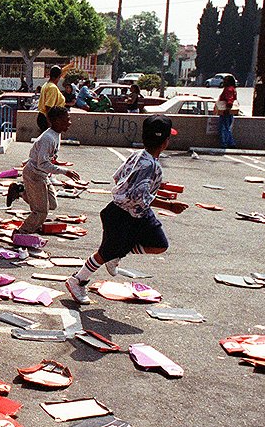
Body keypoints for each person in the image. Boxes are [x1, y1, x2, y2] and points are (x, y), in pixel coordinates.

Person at [64, 115, 188, 305]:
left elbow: (119, 178)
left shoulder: (139, 155)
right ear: (165, 142)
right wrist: (169, 206)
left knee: (159, 244)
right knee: (104, 253)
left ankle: (119, 253)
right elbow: (138, 195)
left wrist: (155, 188)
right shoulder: (151, 165)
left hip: (138, 213)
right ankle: (77, 280)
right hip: (121, 215)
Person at [6, 106, 81, 234]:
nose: (69, 122)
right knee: (41, 212)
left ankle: (20, 190)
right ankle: (22, 232)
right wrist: (65, 171)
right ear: (56, 121)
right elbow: (42, 164)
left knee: (52, 204)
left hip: (43, 175)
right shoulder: (48, 138)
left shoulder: (56, 135)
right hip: (34, 175)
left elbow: (45, 158)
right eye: (66, 120)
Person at [37, 65, 67, 131]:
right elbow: (48, 107)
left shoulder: (46, 85)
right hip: (47, 118)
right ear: (59, 76)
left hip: (44, 117)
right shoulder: (52, 87)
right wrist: (50, 123)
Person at [217, 74, 238, 148]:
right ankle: (231, 143)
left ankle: (225, 143)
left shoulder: (228, 89)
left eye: (225, 80)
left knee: (224, 128)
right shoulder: (233, 89)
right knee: (227, 127)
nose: (223, 82)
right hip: (229, 112)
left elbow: (230, 100)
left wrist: (227, 109)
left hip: (226, 111)